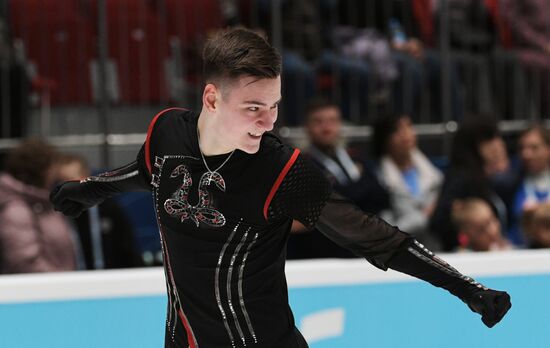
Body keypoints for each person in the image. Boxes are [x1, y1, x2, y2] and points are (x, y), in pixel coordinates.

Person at [50, 28, 511, 348]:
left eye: (274, 106)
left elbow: (375, 237)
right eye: (253, 107)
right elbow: (150, 169)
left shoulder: (282, 169)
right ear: (212, 98)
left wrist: (466, 289)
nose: (268, 122)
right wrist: (93, 188)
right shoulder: (167, 130)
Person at [288, 97, 390, 259]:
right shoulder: (298, 166)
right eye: (319, 122)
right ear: (307, 127)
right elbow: (324, 209)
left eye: (332, 121)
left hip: (362, 250)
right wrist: (358, 189)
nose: (326, 127)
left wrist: (339, 196)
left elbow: (382, 198)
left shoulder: (357, 159)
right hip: (319, 255)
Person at [430, 115, 518, 251]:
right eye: (489, 140)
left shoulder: (487, 177)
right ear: (473, 146)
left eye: (497, 138)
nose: (498, 145)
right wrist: (468, 242)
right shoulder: (461, 177)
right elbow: (440, 221)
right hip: (469, 258)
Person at [55, 153, 143, 270]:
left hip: (112, 279)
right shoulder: (55, 215)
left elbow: (128, 247)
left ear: (86, 176)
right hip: (70, 280)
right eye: (63, 181)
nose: (69, 188)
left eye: (73, 180)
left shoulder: (109, 209)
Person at [0, 139, 76, 273]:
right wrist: (61, 284)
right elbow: (25, 263)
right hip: (42, 291)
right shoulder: (16, 210)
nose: (57, 172)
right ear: (43, 170)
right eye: (54, 166)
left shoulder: (42, 202)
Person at [373, 113, 443, 250]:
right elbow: (388, 230)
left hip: (438, 247)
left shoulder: (433, 173)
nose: (405, 134)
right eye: (397, 130)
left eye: (409, 126)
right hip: (402, 253)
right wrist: (425, 216)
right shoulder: (378, 180)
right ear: (384, 138)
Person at [510, 125, 550, 246]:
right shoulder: (511, 183)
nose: (526, 154)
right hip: (522, 254)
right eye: (522, 148)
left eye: (534, 148)